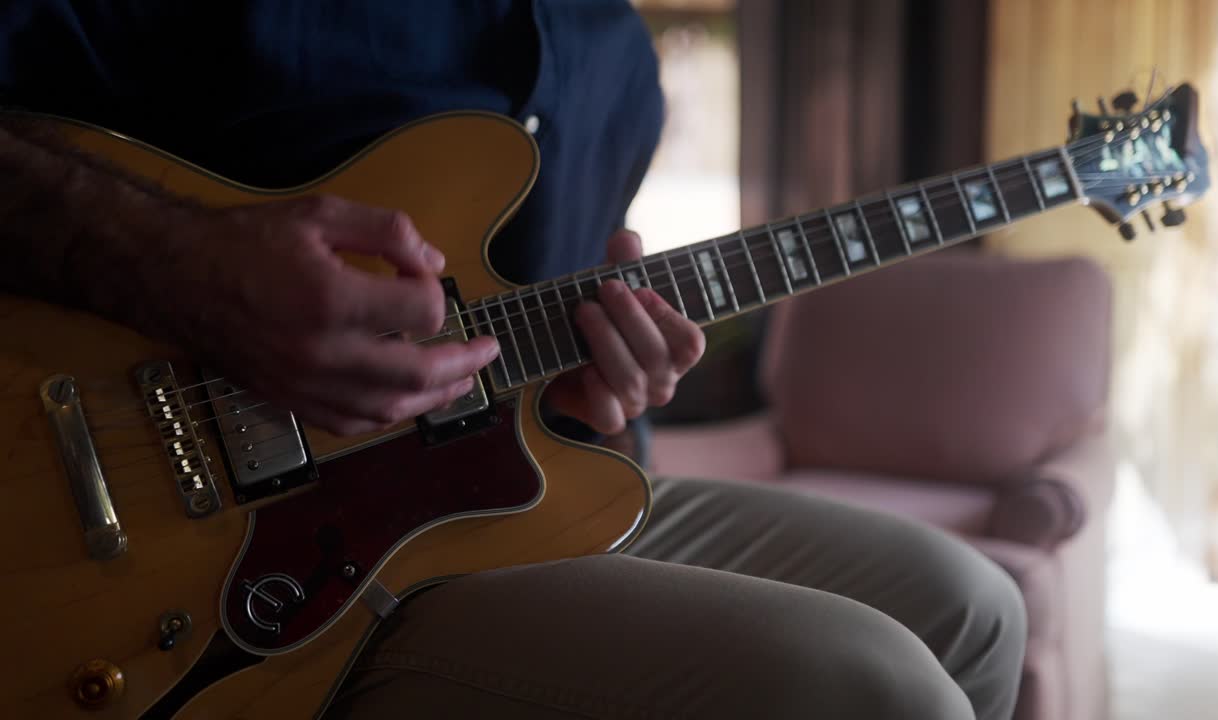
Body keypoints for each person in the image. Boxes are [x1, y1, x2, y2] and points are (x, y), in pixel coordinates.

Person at [0, 2, 1027, 718]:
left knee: (970, 606)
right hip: (209, 554)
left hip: (489, 502)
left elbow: (550, 375)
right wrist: (186, 267)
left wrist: (607, 390)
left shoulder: (619, 64)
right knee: (874, 689)